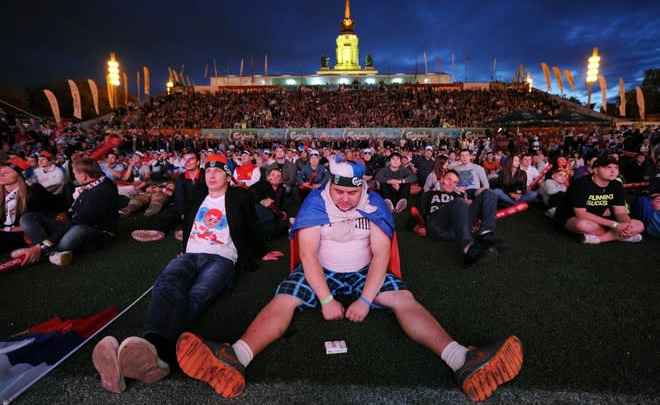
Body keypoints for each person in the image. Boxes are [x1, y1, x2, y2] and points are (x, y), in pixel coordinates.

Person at [173, 159, 523, 402]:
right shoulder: (315, 203)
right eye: (338, 192)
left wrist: (365, 299)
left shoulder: (374, 205)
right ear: (330, 186)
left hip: (363, 271)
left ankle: (462, 360)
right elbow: (308, 255)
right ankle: (236, 357)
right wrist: (326, 300)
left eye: (351, 193)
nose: (343, 199)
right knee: (283, 301)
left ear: (362, 188)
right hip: (321, 270)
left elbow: (381, 257)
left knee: (405, 301)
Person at [91, 154, 279, 394]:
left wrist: (261, 252)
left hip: (222, 258)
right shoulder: (197, 196)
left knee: (197, 295)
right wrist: (183, 250)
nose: (211, 175)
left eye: (218, 171)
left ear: (228, 176)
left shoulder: (239, 197)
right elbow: (188, 224)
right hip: (190, 255)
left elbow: (252, 227)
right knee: (166, 284)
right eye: (208, 171)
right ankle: (150, 355)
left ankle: (151, 349)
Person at [19, 156, 119, 266]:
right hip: (74, 225)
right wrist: (66, 215)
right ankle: (53, 253)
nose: (75, 177)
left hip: (97, 233)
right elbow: (74, 216)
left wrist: (41, 245)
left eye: (75, 174)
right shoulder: (97, 181)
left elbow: (77, 222)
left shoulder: (101, 192)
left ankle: (43, 249)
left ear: (84, 176)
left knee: (77, 230)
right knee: (27, 218)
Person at [416, 169, 505, 267]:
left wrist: (472, 221)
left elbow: (476, 193)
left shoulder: (460, 193)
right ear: (441, 179)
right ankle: (468, 250)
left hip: (457, 229)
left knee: (490, 193)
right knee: (460, 202)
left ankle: (486, 235)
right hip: (438, 226)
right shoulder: (428, 194)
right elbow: (418, 213)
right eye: (449, 179)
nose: (451, 184)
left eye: (455, 182)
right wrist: (414, 226)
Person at [554, 156, 644, 244]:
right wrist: (615, 225)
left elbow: (620, 212)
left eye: (616, 167)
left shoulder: (617, 185)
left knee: (639, 225)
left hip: (600, 218)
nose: (613, 171)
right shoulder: (581, 184)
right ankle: (620, 236)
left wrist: (626, 226)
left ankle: (600, 239)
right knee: (582, 225)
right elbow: (581, 214)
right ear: (596, 170)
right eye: (608, 167)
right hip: (573, 218)